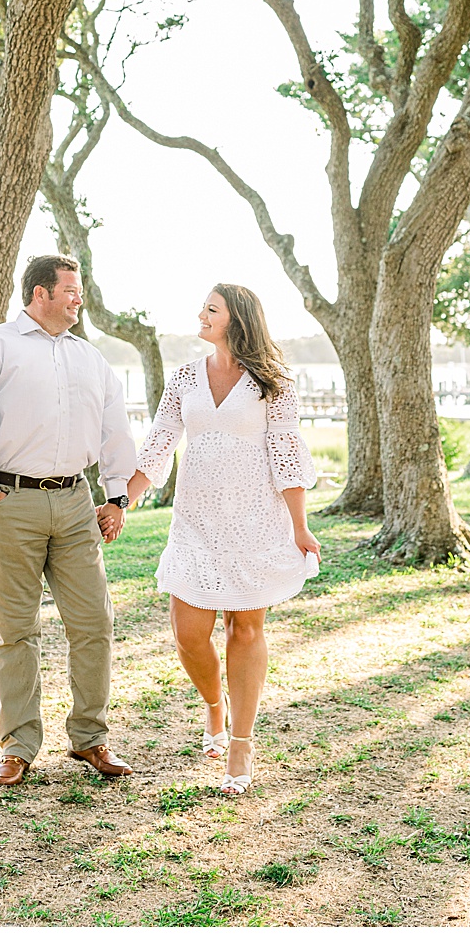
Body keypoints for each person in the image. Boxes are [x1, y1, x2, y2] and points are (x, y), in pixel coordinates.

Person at [0, 254, 137, 787]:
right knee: (16, 631)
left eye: (79, 290)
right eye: (71, 290)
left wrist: (116, 496)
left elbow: (114, 428)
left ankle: (91, 739)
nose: (79, 298)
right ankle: (18, 745)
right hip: (10, 502)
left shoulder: (90, 359)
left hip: (77, 503)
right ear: (40, 294)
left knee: (94, 622)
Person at [126, 283, 322, 797]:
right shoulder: (185, 377)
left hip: (255, 520)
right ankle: (215, 705)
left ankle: (240, 740)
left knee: (245, 630)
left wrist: (300, 524)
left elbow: (286, 454)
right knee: (189, 634)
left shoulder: (272, 382)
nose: (201, 315)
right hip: (195, 522)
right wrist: (123, 498)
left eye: (210, 309)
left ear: (236, 319)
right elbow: (161, 440)